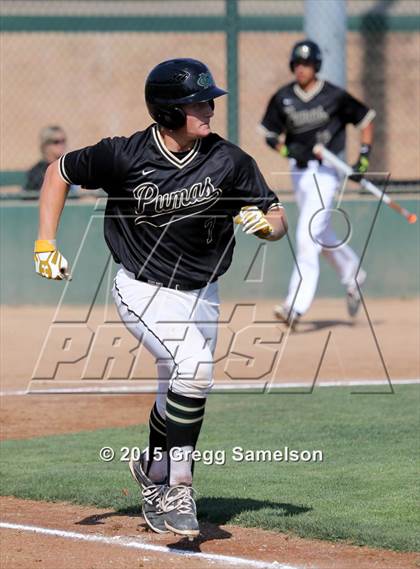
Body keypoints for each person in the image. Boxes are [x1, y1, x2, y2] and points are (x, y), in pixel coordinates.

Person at [33, 58, 288, 538]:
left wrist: (267, 229)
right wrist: (45, 242)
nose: (209, 108)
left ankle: (152, 469)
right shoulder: (124, 155)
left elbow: (275, 215)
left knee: (177, 385)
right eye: (197, 101)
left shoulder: (229, 160)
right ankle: (178, 488)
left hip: (204, 293)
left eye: (209, 99)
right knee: (195, 367)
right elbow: (58, 172)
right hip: (143, 289)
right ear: (169, 110)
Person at [260, 40, 375, 329]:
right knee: (320, 235)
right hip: (299, 172)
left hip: (326, 172)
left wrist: (363, 159)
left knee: (307, 234)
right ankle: (353, 274)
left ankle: (295, 306)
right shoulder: (284, 97)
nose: (301, 69)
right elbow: (270, 134)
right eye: (297, 64)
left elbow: (366, 119)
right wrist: (288, 150)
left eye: (307, 64)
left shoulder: (333, 96)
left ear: (317, 66)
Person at [23, 126, 68, 193]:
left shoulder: (67, 166)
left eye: (63, 141)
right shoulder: (37, 171)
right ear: (45, 145)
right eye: (56, 142)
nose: (62, 145)